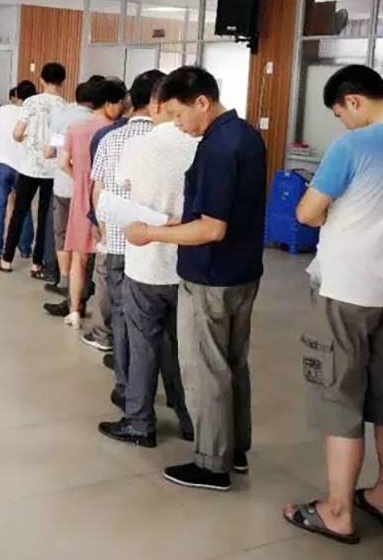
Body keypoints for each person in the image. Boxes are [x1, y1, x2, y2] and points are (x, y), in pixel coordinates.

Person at [126, 66, 266, 491]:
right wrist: (173, 223)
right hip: (242, 271)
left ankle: (211, 464)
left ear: (202, 102)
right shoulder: (245, 135)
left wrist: (151, 234)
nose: (176, 123)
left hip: (210, 275)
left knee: (205, 370)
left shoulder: (217, 148)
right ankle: (234, 449)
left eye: (178, 113)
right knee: (233, 364)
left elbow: (212, 228)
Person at [282, 65, 383, 545]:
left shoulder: (353, 146)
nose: (342, 123)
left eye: (338, 113)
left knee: (339, 399)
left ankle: (337, 511)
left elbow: (308, 212)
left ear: (353, 100)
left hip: (346, 292)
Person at [96, 74, 196, 449]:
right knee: (182, 347)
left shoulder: (135, 145)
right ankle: (190, 419)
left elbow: (119, 190)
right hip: (187, 261)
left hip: (144, 261)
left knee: (143, 345)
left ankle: (140, 422)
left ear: (157, 104)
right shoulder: (200, 144)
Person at [58, 79, 126, 328]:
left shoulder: (76, 127)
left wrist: (80, 179)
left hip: (80, 198)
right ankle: (104, 319)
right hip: (106, 197)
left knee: (80, 258)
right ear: (109, 103)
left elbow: (63, 163)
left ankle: (74, 311)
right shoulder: (114, 131)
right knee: (105, 260)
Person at [0, 62, 68, 275]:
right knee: (44, 217)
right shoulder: (64, 106)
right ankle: (37, 263)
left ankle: (6, 260)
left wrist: (26, 138)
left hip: (29, 167)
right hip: (52, 170)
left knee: (19, 212)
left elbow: (17, 133)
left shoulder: (31, 102)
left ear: (41, 79)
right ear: (63, 82)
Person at [43, 81, 94, 298]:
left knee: (62, 232)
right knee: (86, 236)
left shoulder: (62, 116)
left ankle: (65, 279)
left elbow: (49, 152)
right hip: (90, 189)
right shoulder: (99, 121)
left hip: (64, 185)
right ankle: (84, 282)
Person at [0, 82, 37, 259]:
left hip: (4, 164)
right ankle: (25, 247)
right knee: (24, 207)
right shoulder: (34, 113)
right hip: (24, 167)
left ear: (16, 94)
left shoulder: (3, 110)